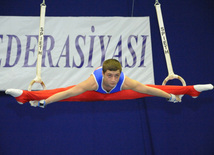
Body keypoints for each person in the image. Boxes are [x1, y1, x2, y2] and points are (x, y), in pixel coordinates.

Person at [6, 59, 213, 108]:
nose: (113, 79)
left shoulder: (124, 81)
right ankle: (25, 96)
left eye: (116, 76)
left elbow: (149, 89)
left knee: (154, 89)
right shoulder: (92, 81)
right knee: (58, 91)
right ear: (103, 73)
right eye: (110, 76)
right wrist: (46, 103)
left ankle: (192, 90)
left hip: (118, 94)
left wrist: (169, 97)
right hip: (93, 94)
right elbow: (67, 93)